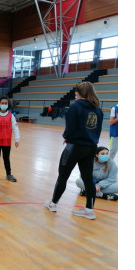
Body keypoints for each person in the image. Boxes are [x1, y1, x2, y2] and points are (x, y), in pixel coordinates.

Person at [44, 81, 104, 220]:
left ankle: (53, 204)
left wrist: (66, 137)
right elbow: (98, 130)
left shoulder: (75, 106)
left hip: (74, 147)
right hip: (91, 147)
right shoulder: (98, 109)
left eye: (76, 91)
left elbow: (70, 127)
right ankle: (89, 210)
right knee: (88, 179)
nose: (75, 93)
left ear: (80, 93)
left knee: (63, 176)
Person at [0, 96, 20, 182]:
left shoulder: (11, 116)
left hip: (7, 141)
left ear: (8, 104)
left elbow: (15, 128)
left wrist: (17, 139)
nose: (4, 105)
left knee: (6, 158)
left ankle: (8, 174)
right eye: (3, 103)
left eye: (6, 103)